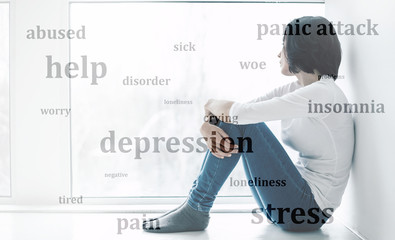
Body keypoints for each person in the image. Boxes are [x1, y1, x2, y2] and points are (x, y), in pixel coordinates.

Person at [143, 16, 354, 233]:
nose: (279, 53)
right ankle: (195, 206)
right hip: (291, 203)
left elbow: (240, 114)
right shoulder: (297, 90)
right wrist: (207, 125)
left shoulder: (323, 94)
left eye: (283, 45)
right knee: (239, 122)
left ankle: (196, 207)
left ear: (301, 48)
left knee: (246, 124)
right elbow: (237, 113)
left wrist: (209, 105)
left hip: (307, 211)